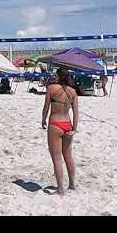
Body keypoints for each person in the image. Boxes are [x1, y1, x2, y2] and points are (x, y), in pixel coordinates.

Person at [41, 67, 78, 196]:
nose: (54, 77)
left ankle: (60, 189)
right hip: (68, 124)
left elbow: (46, 107)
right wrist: (74, 129)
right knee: (68, 156)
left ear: (59, 76)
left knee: (57, 158)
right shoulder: (73, 92)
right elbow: (76, 113)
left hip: (55, 124)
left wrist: (43, 119)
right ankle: (72, 185)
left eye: (56, 75)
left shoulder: (51, 88)